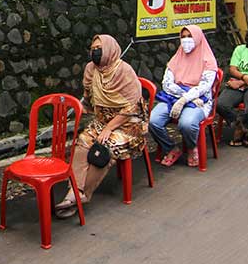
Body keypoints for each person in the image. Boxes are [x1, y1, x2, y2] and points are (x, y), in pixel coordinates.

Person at [55, 34, 148, 219]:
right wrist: (86, 109)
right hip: (102, 120)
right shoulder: (91, 69)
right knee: (83, 142)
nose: (95, 52)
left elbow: (132, 107)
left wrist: (109, 128)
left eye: (99, 48)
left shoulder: (124, 71)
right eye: (93, 48)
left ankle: (84, 195)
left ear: (110, 49)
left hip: (129, 124)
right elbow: (88, 95)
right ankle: (75, 191)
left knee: (104, 148)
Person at [148, 25, 218, 167]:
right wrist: (183, 97)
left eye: (190, 36)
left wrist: (185, 99)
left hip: (200, 100)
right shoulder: (177, 57)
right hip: (173, 97)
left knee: (187, 123)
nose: (186, 40)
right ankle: (171, 148)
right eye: (183, 37)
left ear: (198, 38)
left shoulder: (208, 60)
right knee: (153, 121)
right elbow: (167, 83)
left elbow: (204, 86)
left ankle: (192, 148)